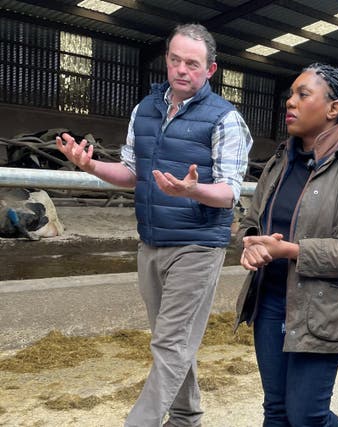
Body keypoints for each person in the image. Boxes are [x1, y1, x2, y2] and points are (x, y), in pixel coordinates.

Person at [56, 24, 253, 427]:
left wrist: (192, 191)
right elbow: (132, 173)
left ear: (210, 70)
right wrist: (90, 165)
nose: (182, 70)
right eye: (175, 60)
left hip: (198, 244)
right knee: (174, 342)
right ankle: (186, 417)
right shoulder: (145, 109)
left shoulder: (226, 119)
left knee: (170, 341)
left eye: (193, 64)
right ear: (167, 59)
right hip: (151, 242)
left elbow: (231, 192)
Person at [234, 63, 338, 426]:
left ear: (333, 109)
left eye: (303, 94)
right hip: (269, 302)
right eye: (291, 94)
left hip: (322, 310)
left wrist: (292, 251)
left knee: (306, 416)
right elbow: (251, 222)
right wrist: (250, 244)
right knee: (276, 409)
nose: (291, 102)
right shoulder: (278, 163)